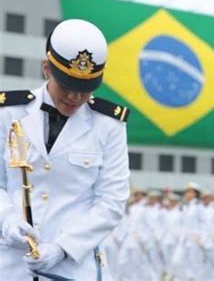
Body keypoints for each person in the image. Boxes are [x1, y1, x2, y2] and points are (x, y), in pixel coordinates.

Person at [0, 19, 131, 280]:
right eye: (67, 87)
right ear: (46, 68)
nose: (75, 98)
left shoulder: (108, 124)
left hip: (73, 267)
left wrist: (62, 248)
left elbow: (112, 201)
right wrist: (7, 220)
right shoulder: (8, 112)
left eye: (85, 90)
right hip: (12, 265)